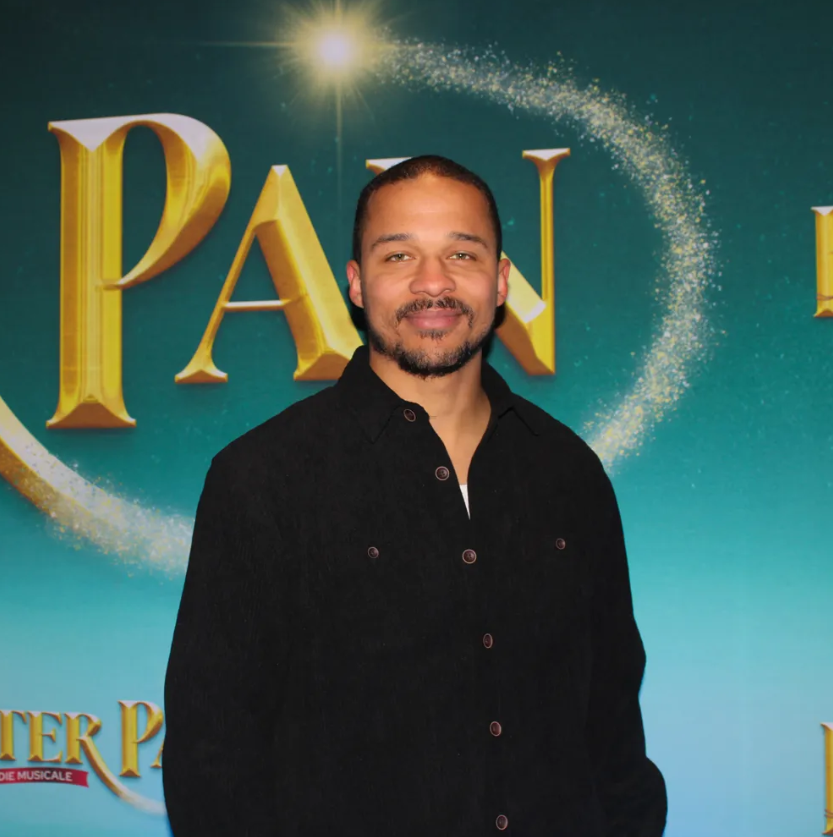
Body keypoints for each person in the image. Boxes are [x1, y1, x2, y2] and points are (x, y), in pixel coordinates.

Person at [163, 155, 666, 836]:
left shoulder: (568, 473)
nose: (434, 282)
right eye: (398, 255)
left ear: (500, 280)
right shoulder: (262, 478)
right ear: (356, 283)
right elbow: (211, 762)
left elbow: (613, 728)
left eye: (462, 253)